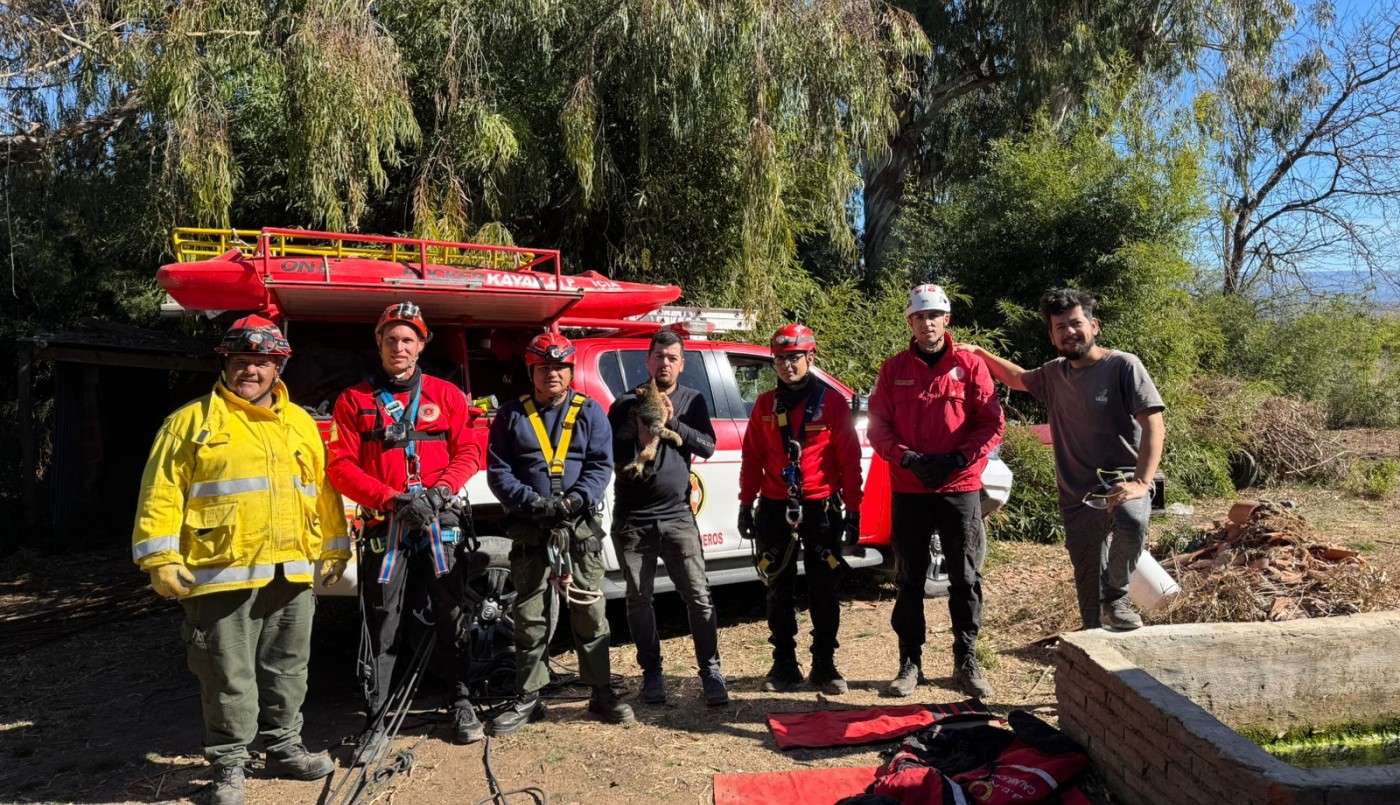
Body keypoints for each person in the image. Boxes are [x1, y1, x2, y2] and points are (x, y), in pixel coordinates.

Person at [132, 315, 348, 805]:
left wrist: (335, 544)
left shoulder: (299, 423)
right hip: (219, 570)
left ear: (279, 367)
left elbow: (323, 490)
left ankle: (284, 748)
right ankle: (229, 764)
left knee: (288, 667)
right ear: (225, 363)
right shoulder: (190, 422)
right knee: (227, 674)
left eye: (261, 362)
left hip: (290, 568)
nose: (250, 370)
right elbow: (160, 494)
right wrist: (160, 557)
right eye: (240, 361)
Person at [326, 301, 484, 763]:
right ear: (379, 344)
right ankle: (377, 719)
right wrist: (391, 500)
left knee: (451, 612)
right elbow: (340, 466)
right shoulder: (353, 401)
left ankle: (461, 703)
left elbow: (470, 449)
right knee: (383, 622)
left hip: (438, 522)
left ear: (421, 345)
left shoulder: (448, 395)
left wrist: (439, 492)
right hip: (387, 524)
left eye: (408, 339)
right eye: (391, 339)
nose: (400, 346)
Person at [958, 288, 1164, 632]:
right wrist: (979, 351)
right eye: (1060, 327)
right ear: (1053, 337)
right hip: (1076, 497)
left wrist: (1142, 482)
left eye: (1075, 323)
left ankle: (1116, 596)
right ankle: (1093, 650)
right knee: (1087, 587)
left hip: (1121, 480)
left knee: (1131, 520)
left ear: (1093, 325)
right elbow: (1017, 378)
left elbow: (1153, 423)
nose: (1069, 332)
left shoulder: (1123, 366)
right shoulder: (1054, 374)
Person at [486, 331, 634, 734]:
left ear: (570, 370)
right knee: (529, 615)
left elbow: (601, 466)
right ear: (531, 370)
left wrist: (574, 501)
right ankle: (529, 696)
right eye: (544, 367)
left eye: (560, 367)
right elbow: (499, 471)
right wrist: (531, 502)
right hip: (531, 527)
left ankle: (601, 692)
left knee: (589, 609)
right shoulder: (510, 416)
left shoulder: (591, 413)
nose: (552, 373)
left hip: (577, 526)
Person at [868, 284, 1004, 700]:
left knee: (964, 577)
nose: (926, 323)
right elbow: (878, 427)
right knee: (909, 578)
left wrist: (959, 458)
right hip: (909, 488)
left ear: (947, 320)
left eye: (934, 316)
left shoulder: (970, 366)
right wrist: (906, 458)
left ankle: (966, 659)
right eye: (918, 316)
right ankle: (910, 663)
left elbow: (991, 422)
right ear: (909, 322)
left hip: (959, 487)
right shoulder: (892, 370)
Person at [738, 323, 863, 695]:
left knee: (824, 589)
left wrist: (853, 510)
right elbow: (751, 459)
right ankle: (784, 664)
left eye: (794, 358)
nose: (787, 366)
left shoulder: (832, 403)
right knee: (778, 588)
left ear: (810, 356)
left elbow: (850, 460)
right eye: (779, 359)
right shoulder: (764, 405)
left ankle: (824, 662)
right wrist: (746, 504)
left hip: (820, 508)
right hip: (775, 507)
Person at [608, 330, 727, 707]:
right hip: (633, 518)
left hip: (677, 516)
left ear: (681, 363)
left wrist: (671, 425)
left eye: (672, 357)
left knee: (698, 597)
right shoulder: (625, 403)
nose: (665, 363)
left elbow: (707, 447)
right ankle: (652, 674)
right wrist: (642, 438)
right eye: (658, 356)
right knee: (638, 600)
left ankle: (711, 671)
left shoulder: (692, 401)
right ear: (647, 361)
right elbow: (615, 460)